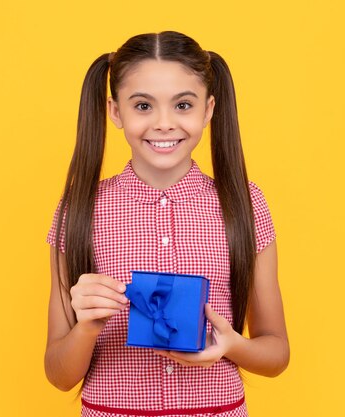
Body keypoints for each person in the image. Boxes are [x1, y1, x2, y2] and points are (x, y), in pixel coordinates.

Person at [45, 31, 289, 417]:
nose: (163, 123)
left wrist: (230, 346)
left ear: (208, 110)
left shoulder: (246, 204)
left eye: (183, 105)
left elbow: (276, 353)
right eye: (142, 105)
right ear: (115, 111)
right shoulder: (78, 210)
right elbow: (58, 374)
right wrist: (87, 327)